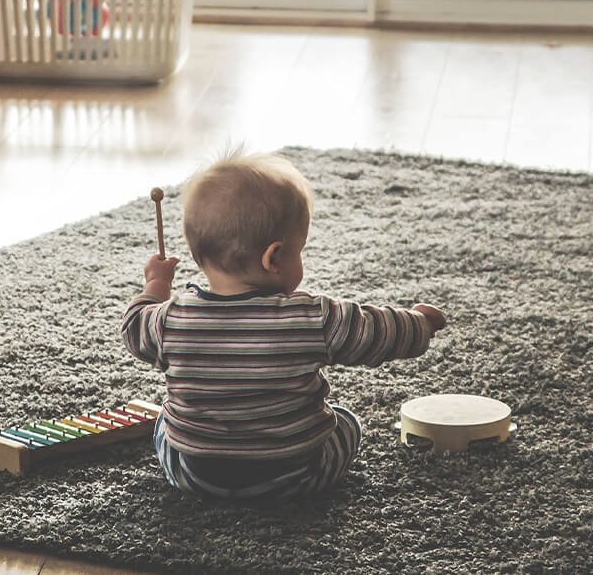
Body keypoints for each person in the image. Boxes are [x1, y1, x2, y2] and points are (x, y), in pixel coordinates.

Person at [122, 150, 446, 501]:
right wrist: (420, 323)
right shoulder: (313, 317)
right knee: (347, 422)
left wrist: (156, 285)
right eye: (300, 250)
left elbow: (134, 327)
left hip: (195, 475)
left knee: (164, 423)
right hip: (296, 476)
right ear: (274, 257)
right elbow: (376, 331)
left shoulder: (170, 320)